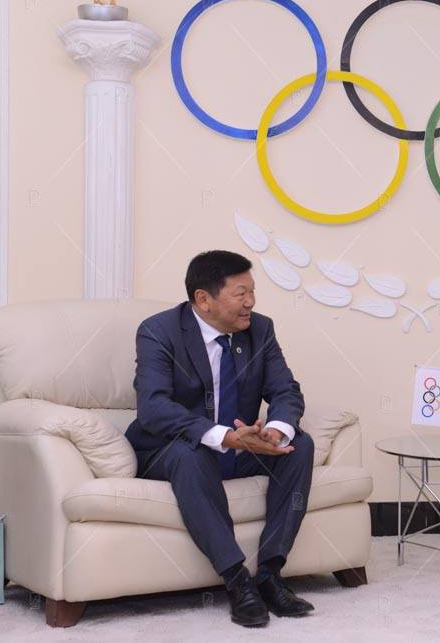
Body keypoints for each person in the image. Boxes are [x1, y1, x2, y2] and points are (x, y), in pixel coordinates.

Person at [125, 250, 314, 628]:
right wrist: (226, 436)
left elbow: (285, 390)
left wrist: (276, 430)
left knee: (299, 445)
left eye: (252, 291)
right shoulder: (159, 331)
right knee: (191, 454)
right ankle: (237, 580)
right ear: (203, 299)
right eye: (241, 293)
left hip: (240, 447)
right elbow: (153, 407)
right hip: (172, 449)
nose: (251, 302)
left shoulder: (260, 330)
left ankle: (270, 574)